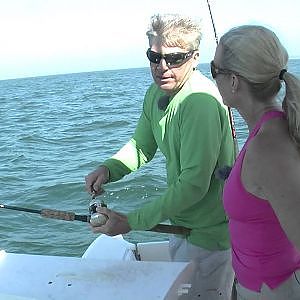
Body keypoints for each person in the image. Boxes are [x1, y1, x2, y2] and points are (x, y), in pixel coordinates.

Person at [86, 13, 235, 299]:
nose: (162, 67)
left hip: (209, 236)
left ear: (194, 57)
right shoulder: (155, 94)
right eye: (154, 57)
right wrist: (109, 169)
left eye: (174, 58)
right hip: (180, 227)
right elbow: (142, 146)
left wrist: (132, 221)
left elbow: (193, 184)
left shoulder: (198, 103)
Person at [211, 25, 300, 299]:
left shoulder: (268, 149)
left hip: (273, 290)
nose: (212, 77)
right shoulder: (266, 132)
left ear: (235, 81)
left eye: (215, 70)